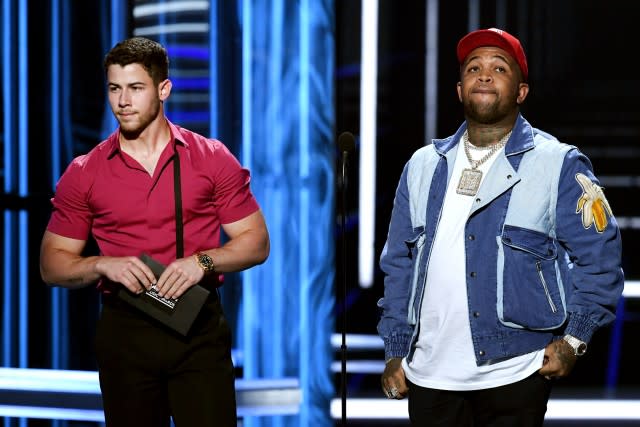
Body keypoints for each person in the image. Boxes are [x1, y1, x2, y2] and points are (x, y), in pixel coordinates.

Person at [377, 28, 624, 426]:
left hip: (516, 369)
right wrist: (394, 349)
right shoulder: (422, 165)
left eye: (499, 67)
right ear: (459, 89)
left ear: (521, 91)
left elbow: (601, 258)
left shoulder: (558, 163)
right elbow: (399, 266)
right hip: (428, 375)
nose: (485, 75)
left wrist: (574, 341)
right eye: (474, 68)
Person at [39, 36, 269, 426]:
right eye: (114, 89)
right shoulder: (85, 171)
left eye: (135, 88)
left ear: (163, 89)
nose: (122, 101)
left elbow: (256, 241)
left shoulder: (210, 158)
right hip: (124, 328)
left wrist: (203, 261)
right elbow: (52, 265)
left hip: (197, 326)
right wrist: (101, 265)